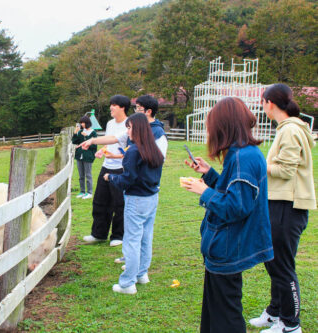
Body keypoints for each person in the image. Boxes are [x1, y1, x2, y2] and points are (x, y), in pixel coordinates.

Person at [182, 97, 274, 332]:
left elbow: (236, 207)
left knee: (226, 315)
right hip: (223, 246)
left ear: (224, 126)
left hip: (229, 247)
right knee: (216, 310)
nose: (209, 131)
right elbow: (234, 190)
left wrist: (204, 191)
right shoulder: (241, 153)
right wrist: (210, 174)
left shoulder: (244, 157)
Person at [249, 84, 315, 333]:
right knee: (274, 261)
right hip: (280, 203)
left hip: (288, 206)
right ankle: (275, 312)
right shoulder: (288, 129)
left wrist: (259, 165)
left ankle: (290, 324)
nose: (262, 107)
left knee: (281, 266)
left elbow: (286, 171)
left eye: (262, 102)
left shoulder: (289, 130)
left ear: (269, 103)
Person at [80, 95, 168, 264]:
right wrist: (111, 152)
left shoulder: (155, 133)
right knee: (134, 227)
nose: (135, 112)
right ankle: (134, 264)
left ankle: (132, 270)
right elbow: (126, 147)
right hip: (141, 188)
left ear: (148, 112)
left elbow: (152, 161)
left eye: (139, 109)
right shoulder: (137, 129)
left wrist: (116, 170)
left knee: (136, 229)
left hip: (142, 190)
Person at [103, 113, 164, 294]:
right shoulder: (152, 148)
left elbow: (127, 180)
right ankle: (141, 274)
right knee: (145, 238)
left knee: (131, 241)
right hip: (151, 198)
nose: (127, 131)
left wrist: (110, 177)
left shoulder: (134, 151)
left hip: (136, 200)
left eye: (129, 127)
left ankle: (127, 283)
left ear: (136, 129)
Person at [82, 94, 129, 247]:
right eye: (111, 104)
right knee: (100, 200)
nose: (111, 108)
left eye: (114, 105)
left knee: (119, 203)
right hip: (106, 165)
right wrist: (102, 150)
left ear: (122, 107)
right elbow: (109, 141)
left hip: (121, 168)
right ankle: (99, 234)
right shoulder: (110, 123)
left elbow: (120, 142)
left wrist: (93, 141)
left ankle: (118, 235)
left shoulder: (129, 124)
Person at [71, 115, 98, 199]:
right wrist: (75, 132)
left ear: (87, 123)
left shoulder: (93, 132)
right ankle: (82, 191)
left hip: (88, 156)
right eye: (81, 122)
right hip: (79, 156)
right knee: (81, 175)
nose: (82, 124)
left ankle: (89, 192)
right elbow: (74, 141)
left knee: (88, 175)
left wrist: (86, 136)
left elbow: (94, 146)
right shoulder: (80, 131)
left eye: (83, 122)